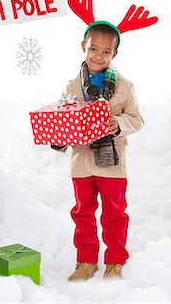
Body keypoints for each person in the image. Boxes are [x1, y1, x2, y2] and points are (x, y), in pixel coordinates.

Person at [53, 20, 144, 281]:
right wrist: (58, 138)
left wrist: (118, 124)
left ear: (114, 54)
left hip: (113, 165)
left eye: (106, 52)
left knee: (114, 214)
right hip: (81, 163)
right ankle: (86, 261)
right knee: (83, 213)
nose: (99, 56)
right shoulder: (71, 87)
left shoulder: (125, 86)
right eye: (94, 49)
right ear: (83, 47)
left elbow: (137, 120)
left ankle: (115, 261)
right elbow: (64, 122)